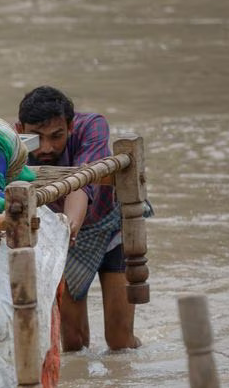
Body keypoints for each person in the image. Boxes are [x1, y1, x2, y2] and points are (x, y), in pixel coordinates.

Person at [16, 86, 142, 351]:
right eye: (37, 137)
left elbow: (81, 182)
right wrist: (66, 232)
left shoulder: (92, 127)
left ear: (71, 127)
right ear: (19, 129)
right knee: (73, 343)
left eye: (56, 136)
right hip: (65, 235)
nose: (47, 147)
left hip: (108, 229)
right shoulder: (13, 146)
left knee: (120, 342)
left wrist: (69, 227)